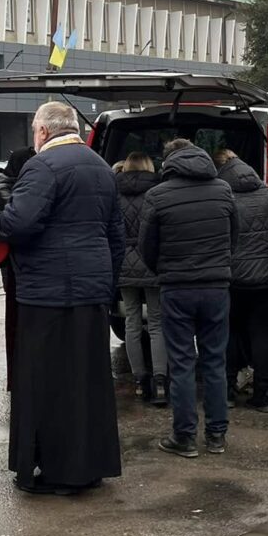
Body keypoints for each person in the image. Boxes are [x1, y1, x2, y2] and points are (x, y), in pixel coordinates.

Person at [0, 102, 124, 495]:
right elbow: (115, 235)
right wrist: (105, 281)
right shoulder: (101, 166)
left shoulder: (43, 166)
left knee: (46, 384)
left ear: (44, 132)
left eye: (34, 130)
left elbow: (19, 222)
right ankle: (90, 467)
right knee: (88, 383)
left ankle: (55, 472)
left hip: (48, 294)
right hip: (91, 292)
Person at [141, 139, 237, 458]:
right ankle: (216, 435)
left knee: (181, 363)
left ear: (169, 162)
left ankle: (184, 437)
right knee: (214, 361)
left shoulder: (157, 195)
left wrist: (165, 270)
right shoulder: (223, 189)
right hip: (216, 287)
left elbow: (147, 248)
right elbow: (232, 238)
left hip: (176, 288)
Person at [214, 147, 268, 412]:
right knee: (260, 334)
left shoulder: (222, 194)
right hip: (266, 276)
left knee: (229, 332)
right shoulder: (266, 192)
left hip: (234, 276)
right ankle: (263, 396)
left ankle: (229, 391)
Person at [115, 151, 166, 405]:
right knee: (156, 323)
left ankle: (138, 381)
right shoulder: (156, 192)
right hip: (151, 262)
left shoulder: (114, 193)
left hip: (124, 264)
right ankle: (159, 382)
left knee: (132, 323)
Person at [0, 146, 34, 392]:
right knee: (18, 318)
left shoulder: (10, 184)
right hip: (15, 264)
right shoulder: (5, 188)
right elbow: (19, 220)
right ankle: (18, 374)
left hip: (18, 263)